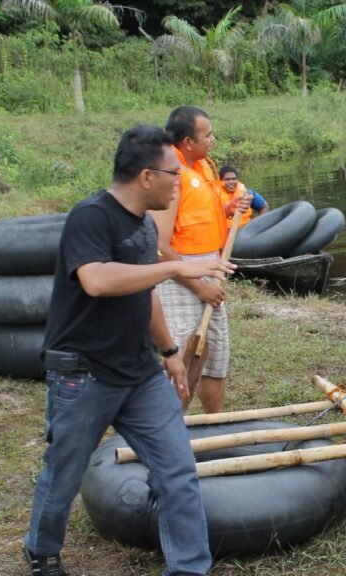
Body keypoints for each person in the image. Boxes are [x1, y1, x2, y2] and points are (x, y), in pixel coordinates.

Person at [24, 125, 235, 576]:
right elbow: (97, 281)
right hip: (83, 373)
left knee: (177, 470)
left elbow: (146, 295)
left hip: (139, 373)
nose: (179, 183)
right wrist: (179, 265)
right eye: (173, 175)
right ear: (145, 176)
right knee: (65, 470)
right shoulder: (91, 217)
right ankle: (42, 551)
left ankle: (188, 568)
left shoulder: (142, 228)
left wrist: (169, 349)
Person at [151, 106, 248, 414]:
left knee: (214, 358)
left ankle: (214, 424)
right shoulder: (171, 177)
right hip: (181, 279)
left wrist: (230, 208)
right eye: (207, 135)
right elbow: (159, 245)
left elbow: (200, 218)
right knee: (182, 360)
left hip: (210, 271)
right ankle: (171, 433)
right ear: (187, 142)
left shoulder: (203, 169)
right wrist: (197, 286)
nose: (213, 140)